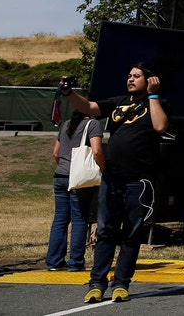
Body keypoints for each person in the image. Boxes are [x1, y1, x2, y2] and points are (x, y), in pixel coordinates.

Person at [60, 64, 170, 303]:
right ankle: (96, 283)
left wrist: (153, 95)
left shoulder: (157, 103)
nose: (130, 79)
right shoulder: (118, 101)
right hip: (112, 178)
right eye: (129, 75)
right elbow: (88, 107)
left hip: (139, 181)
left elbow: (160, 126)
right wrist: (69, 93)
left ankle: (121, 284)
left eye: (136, 76)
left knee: (131, 234)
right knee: (106, 232)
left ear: (150, 80)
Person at [45, 109, 104, 272]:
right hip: (79, 179)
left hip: (60, 176)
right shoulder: (93, 125)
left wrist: (64, 167)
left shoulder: (65, 125)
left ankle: (54, 261)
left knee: (60, 219)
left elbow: (55, 153)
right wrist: (104, 169)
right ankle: (75, 261)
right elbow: (97, 151)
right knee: (79, 219)